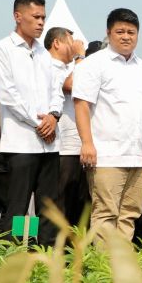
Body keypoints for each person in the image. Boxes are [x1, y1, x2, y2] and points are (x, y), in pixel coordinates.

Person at [73, 8, 142, 243]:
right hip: (106, 155)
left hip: (138, 156)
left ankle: (121, 270)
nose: (126, 36)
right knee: (105, 216)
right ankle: (103, 273)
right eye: (120, 31)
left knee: (130, 215)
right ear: (108, 33)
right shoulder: (94, 64)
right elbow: (81, 104)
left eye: (131, 32)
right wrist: (87, 143)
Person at [0, 0, 63, 245]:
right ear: (18, 16)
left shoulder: (44, 53)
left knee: (48, 208)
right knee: (18, 206)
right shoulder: (2, 49)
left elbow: (57, 91)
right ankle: (8, 254)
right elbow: (7, 95)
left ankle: (47, 257)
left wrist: (53, 116)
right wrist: (39, 123)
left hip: (50, 143)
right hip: (21, 143)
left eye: (43, 17)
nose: (41, 22)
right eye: (36, 17)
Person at [45, 28, 89, 227]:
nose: (76, 44)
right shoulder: (48, 65)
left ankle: (69, 251)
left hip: (74, 147)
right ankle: (33, 245)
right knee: (56, 204)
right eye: (71, 40)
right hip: (59, 147)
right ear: (57, 43)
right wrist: (80, 56)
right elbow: (73, 84)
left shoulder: (67, 68)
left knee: (74, 205)